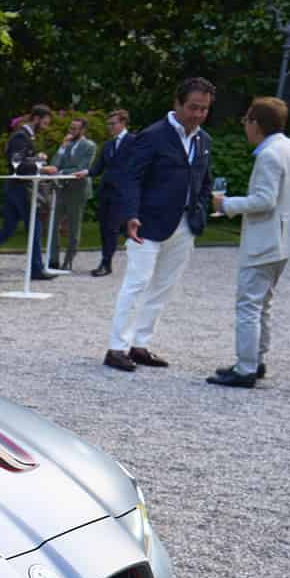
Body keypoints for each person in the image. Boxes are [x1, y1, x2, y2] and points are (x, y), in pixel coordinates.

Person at [206, 97, 290, 388]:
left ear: (256, 123)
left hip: (266, 241)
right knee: (263, 303)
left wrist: (225, 204)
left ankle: (245, 368)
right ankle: (255, 361)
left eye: (246, 121)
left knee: (249, 304)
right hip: (286, 242)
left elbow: (264, 200)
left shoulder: (269, 155)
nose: (244, 126)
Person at [102, 77, 216, 372]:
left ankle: (140, 344)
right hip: (148, 223)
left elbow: (205, 181)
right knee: (136, 284)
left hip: (185, 224)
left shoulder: (204, 140)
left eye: (204, 109)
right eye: (193, 107)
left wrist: (200, 209)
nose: (198, 114)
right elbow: (131, 178)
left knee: (164, 286)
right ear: (177, 103)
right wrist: (130, 215)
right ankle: (116, 348)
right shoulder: (152, 135)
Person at [0, 104, 57, 282]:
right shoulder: (21, 136)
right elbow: (18, 164)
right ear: (36, 119)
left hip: (15, 188)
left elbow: (23, 160)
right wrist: (43, 167)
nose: (46, 127)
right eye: (44, 123)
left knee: (8, 229)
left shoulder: (24, 136)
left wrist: (37, 159)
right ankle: (36, 268)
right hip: (20, 189)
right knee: (34, 226)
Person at [88, 109, 132, 276]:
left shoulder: (134, 142)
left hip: (123, 192)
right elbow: (97, 168)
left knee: (113, 228)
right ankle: (106, 261)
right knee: (104, 228)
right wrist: (84, 173)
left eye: (113, 124)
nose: (110, 127)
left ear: (123, 123)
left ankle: (106, 263)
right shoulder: (108, 145)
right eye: (109, 124)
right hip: (106, 192)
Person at [51, 117, 96, 272]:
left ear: (83, 130)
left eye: (75, 128)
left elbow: (81, 168)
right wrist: (62, 147)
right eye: (70, 127)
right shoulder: (67, 145)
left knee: (73, 227)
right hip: (61, 188)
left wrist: (61, 172)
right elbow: (54, 165)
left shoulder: (89, 146)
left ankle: (68, 261)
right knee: (53, 225)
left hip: (78, 190)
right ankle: (53, 260)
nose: (71, 131)